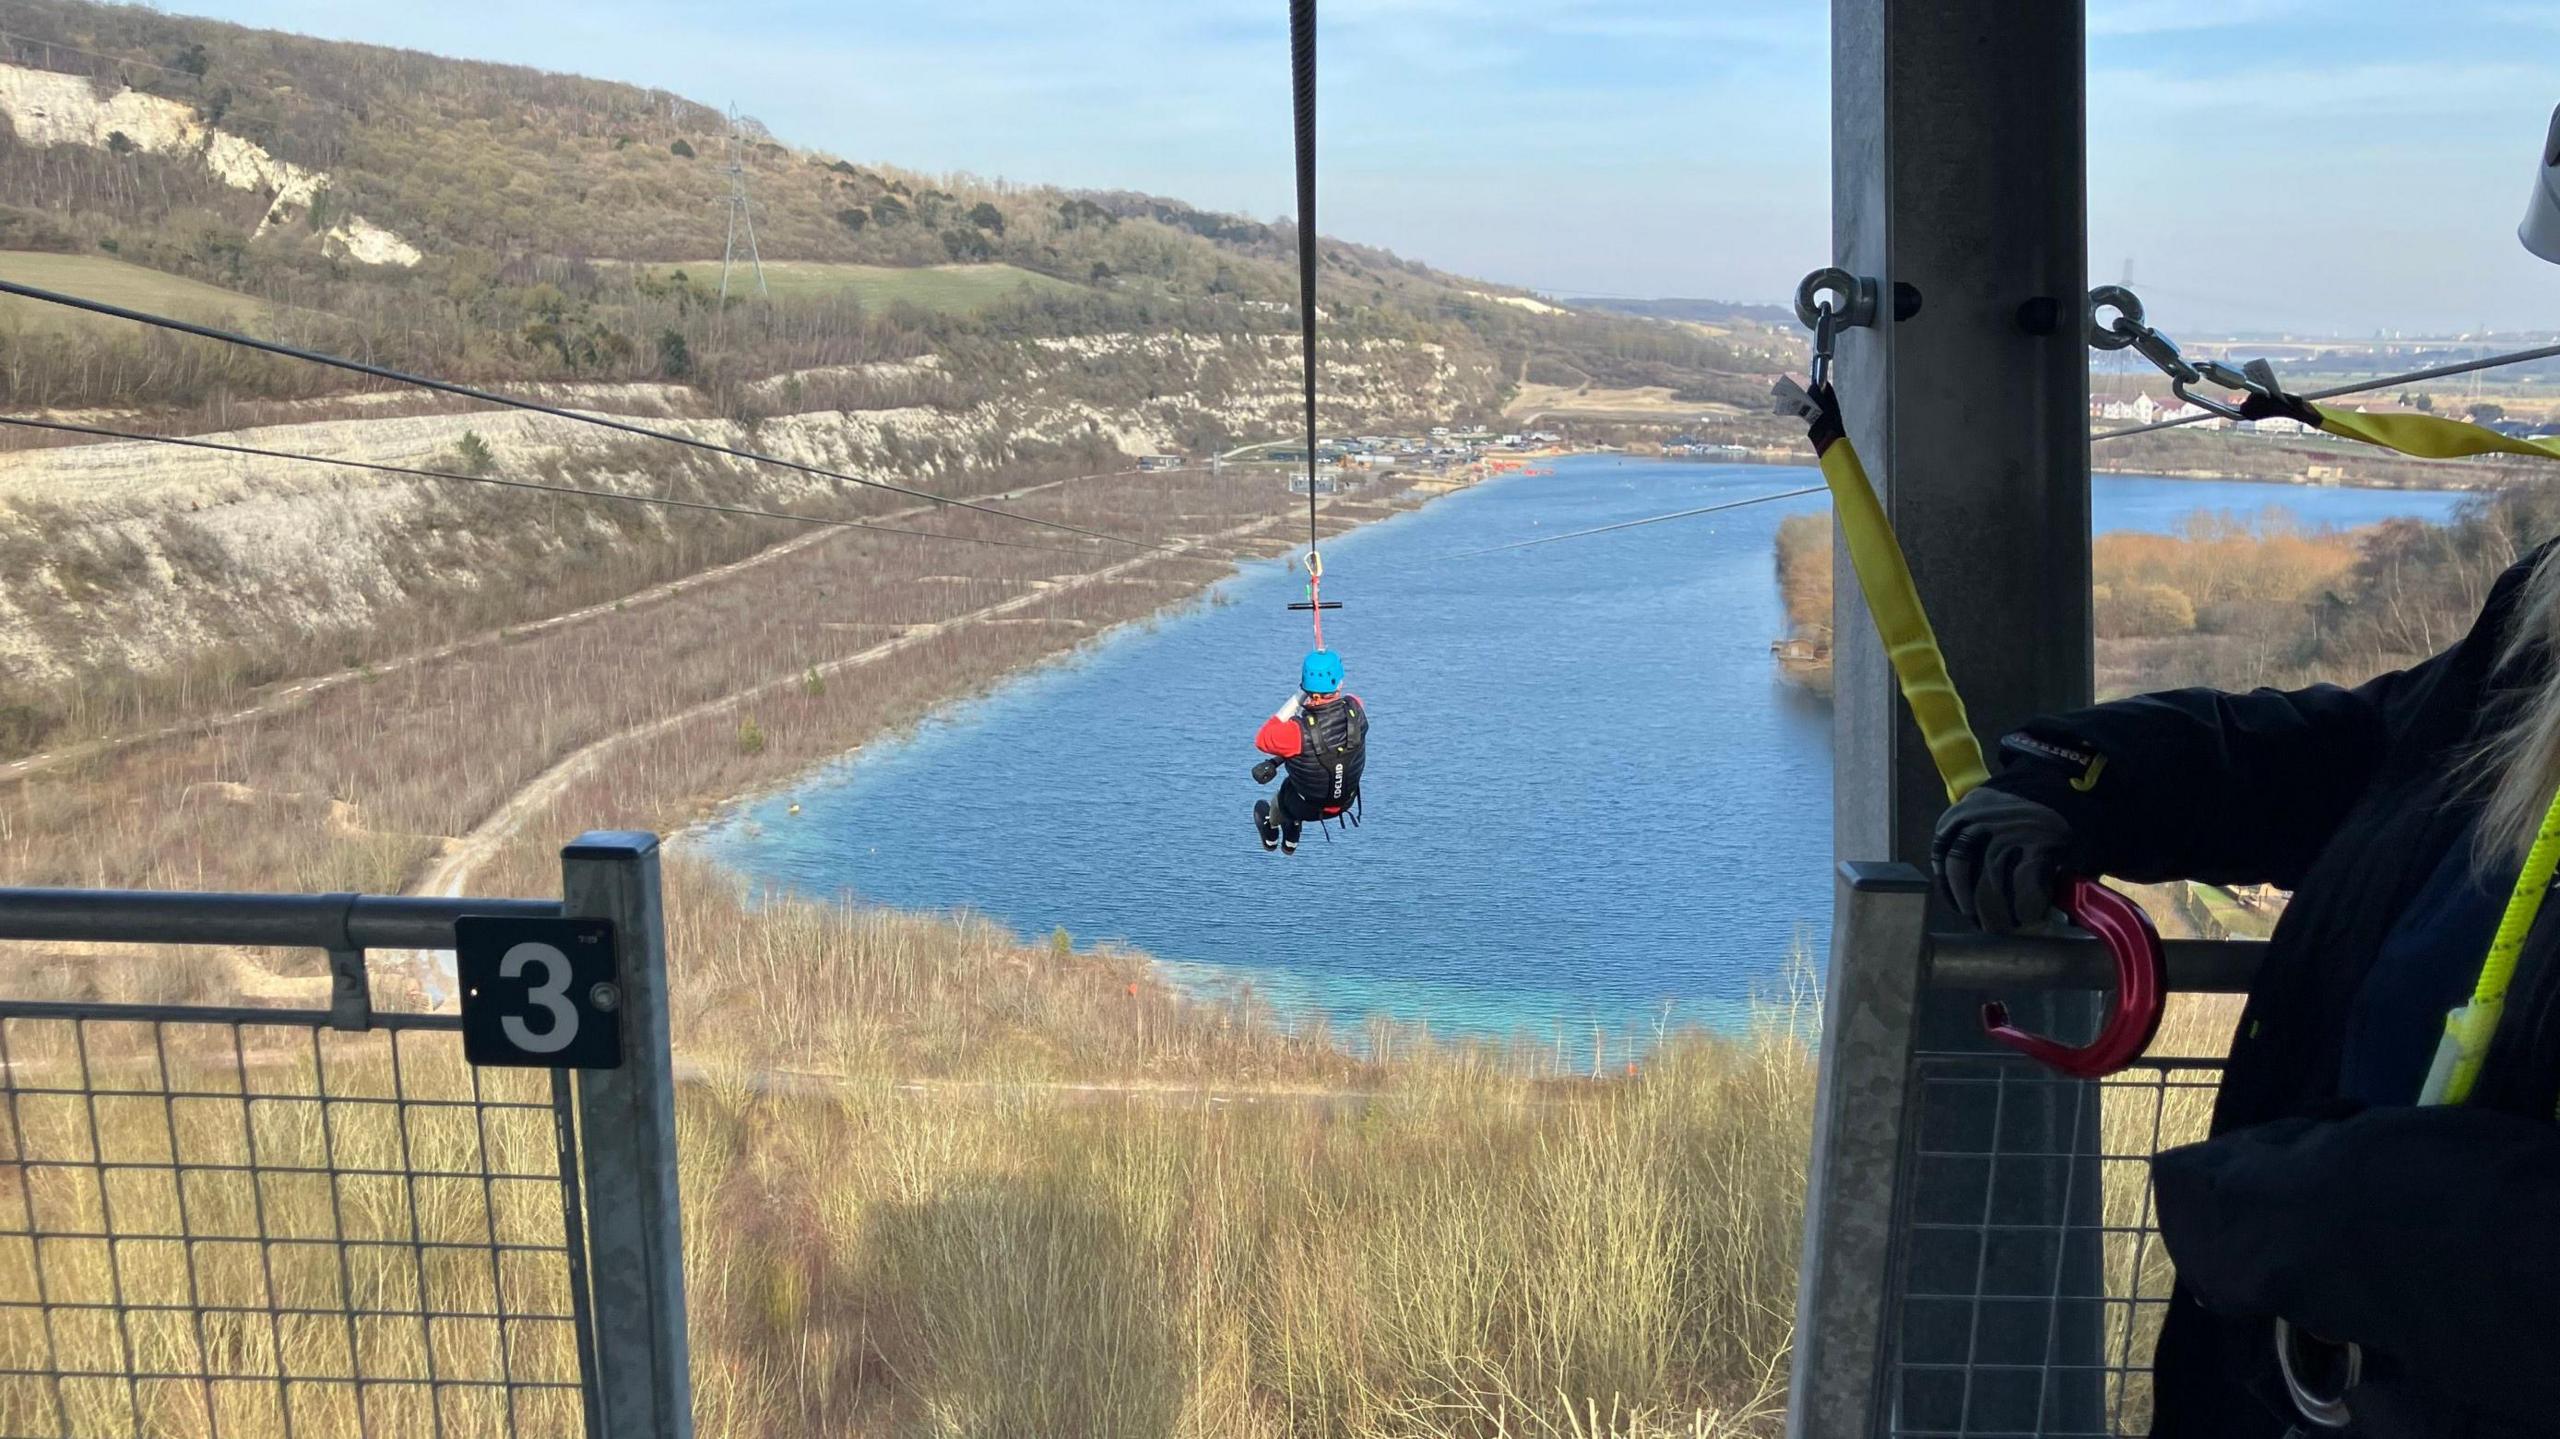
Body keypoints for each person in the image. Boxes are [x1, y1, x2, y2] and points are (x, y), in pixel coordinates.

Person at [1930, 535, 2560, 1434]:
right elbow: (2366, 757)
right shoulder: (2539, 618)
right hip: (2299, 1363)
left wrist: (2362, 1204)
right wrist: (2086, 778)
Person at [1251, 649, 1366, 854]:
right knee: (1312, 768)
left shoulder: (1295, 733)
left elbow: (1262, 738)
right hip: (1345, 802)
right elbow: (1347, 702)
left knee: (1286, 790)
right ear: (1339, 684)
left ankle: (1272, 830)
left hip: (1307, 806)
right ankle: (1291, 840)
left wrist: (1299, 696)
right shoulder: (1356, 710)